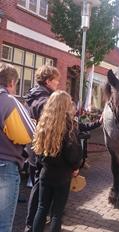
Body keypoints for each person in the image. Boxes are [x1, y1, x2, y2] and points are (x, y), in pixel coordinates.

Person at [32, 90, 83, 232]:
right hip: (63, 175)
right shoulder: (70, 126)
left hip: (46, 172)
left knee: (41, 208)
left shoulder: (44, 123)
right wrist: (76, 167)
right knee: (57, 213)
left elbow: (37, 151)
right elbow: (73, 153)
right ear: (65, 105)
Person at [24, 65, 60, 232]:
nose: (58, 83)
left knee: (37, 185)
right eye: (56, 80)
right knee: (39, 188)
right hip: (41, 149)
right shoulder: (45, 100)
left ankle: (33, 221)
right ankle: (31, 224)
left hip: (32, 148)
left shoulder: (34, 95)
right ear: (48, 81)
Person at [0, 62, 35, 232]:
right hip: (4, 166)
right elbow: (28, 134)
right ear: (12, 83)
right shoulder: (9, 102)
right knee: (3, 225)